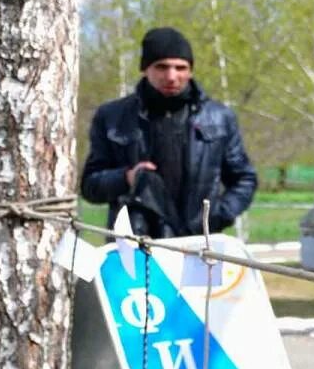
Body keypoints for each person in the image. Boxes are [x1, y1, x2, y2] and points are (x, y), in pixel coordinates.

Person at [81, 27, 257, 238]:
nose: (172, 76)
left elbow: (244, 179)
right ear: (145, 69)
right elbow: (90, 185)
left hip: (199, 246)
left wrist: (215, 217)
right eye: (161, 67)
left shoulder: (220, 118)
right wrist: (127, 178)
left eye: (180, 67)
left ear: (190, 70)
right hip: (134, 247)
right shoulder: (112, 116)